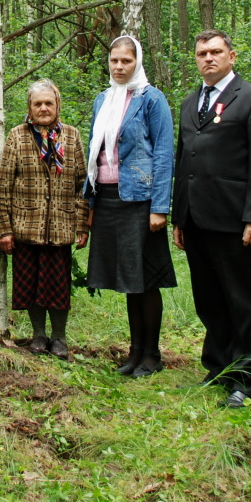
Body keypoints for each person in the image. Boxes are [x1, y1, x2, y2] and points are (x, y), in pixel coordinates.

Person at [172, 30, 251, 408]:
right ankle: (218, 368)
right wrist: (179, 217)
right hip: (195, 219)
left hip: (234, 220)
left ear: (231, 56)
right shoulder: (190, 103)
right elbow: (183, 161)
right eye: (202, 53)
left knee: (241, 299)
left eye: (216, 52)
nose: (209, 58)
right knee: (209, 299)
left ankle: (247, 380)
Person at [85, 35, 175, 378]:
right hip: (108, 197)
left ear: (137, 62)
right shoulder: (103, 99)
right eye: (114, 60)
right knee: (127, 279)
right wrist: (91, 201)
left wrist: (159, 207)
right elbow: (95, 153)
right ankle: (135, 352)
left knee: (145, 279)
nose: (119, 66)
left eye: (126, 60)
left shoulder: (151, 99)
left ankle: (152, 355)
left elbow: (164, 154)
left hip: (140, 199)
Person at [0, 79, 89, 358]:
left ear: (57, 105)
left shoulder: (71, 136)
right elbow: (3, 186)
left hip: (61, 224)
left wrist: (82, 224)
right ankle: (38, 334)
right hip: (26, 226)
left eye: (49, 103)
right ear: (30, 107)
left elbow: (82, 184)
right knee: (31, 284)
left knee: (58, 285)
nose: (43, 108)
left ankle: (59, 337)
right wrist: (5, 230)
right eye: (38, 104)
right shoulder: (17, 135)